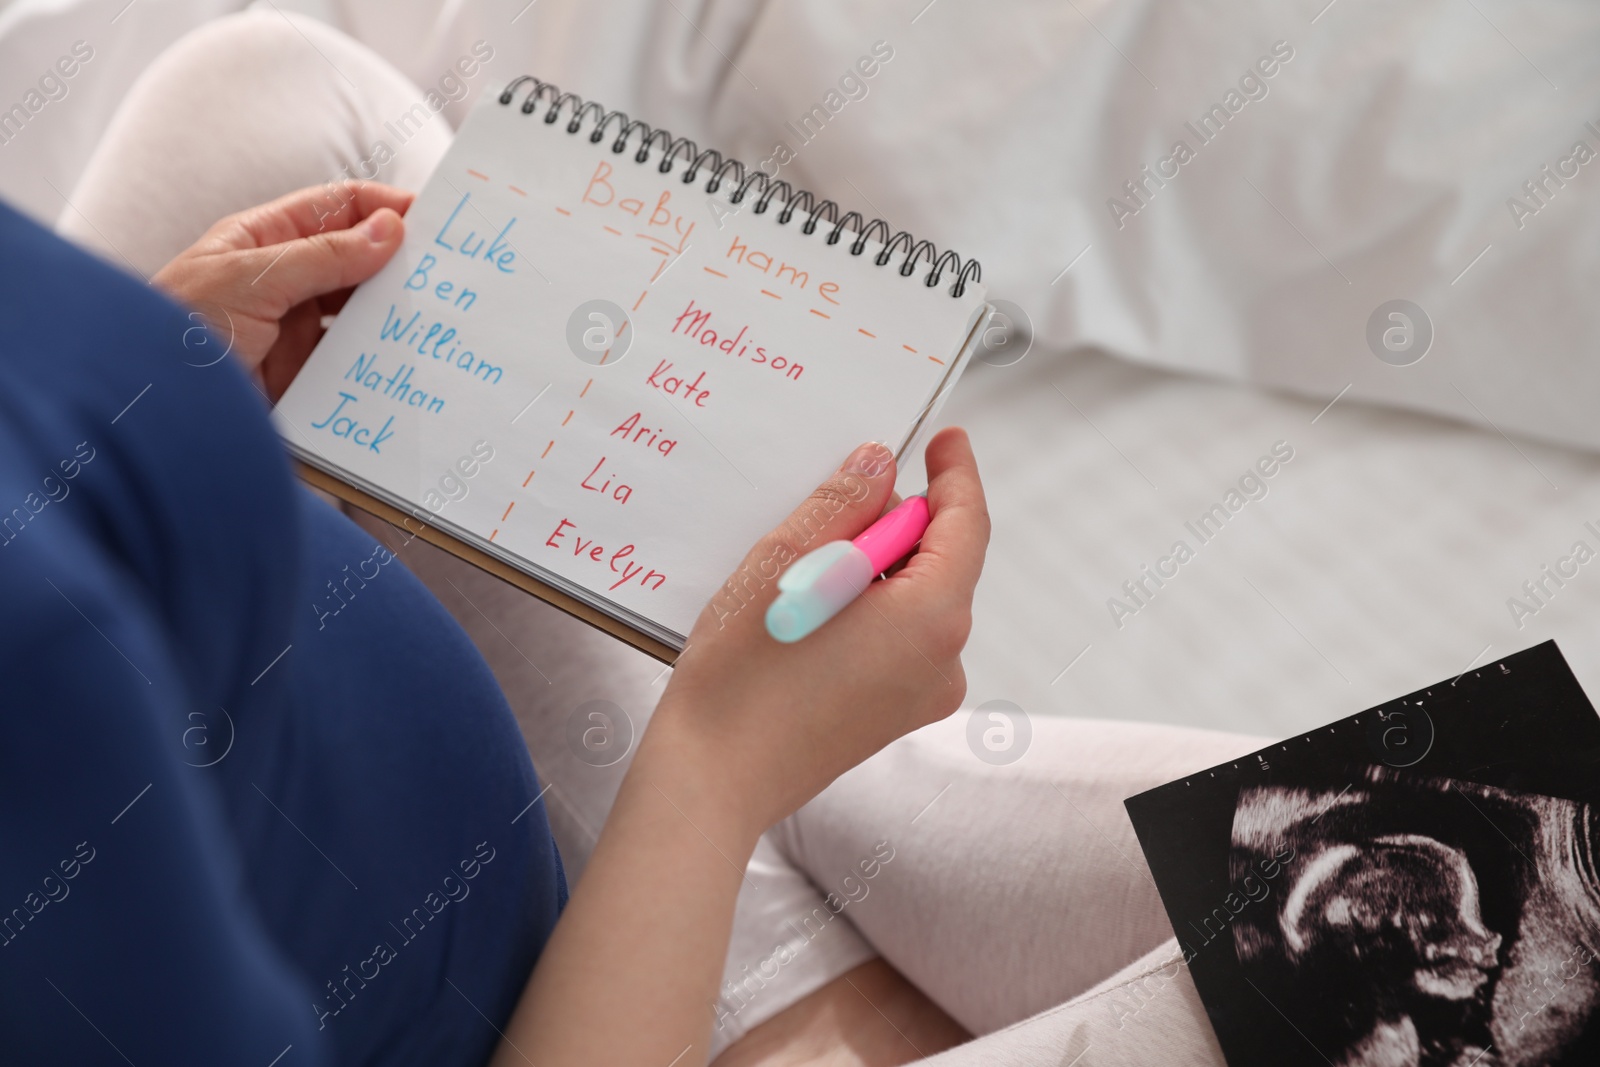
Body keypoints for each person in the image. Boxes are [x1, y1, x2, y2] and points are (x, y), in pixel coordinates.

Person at [12, 10, 1277, 1066]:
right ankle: (762, 961)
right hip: (533, 1002)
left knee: (271, 93)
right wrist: (716, 771)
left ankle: (797, 817)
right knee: (1459, 926)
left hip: (357, 753)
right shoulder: (46, 718)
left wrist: (143, 413)